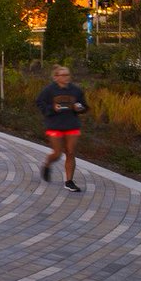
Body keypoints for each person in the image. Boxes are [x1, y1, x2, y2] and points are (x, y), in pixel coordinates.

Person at [36, 65, 89, 193]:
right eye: (63, 75)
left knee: (70, 152)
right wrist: (51, 109)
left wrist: (80, 108)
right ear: (56, 77)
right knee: (57, 153)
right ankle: (47, 164)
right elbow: (39, 102)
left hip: (72, 125)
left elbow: (85, 106)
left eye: (68, 75)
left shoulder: (76, 90)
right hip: (55, 125)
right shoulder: (49, 90)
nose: (66, 77)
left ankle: (69, 181)